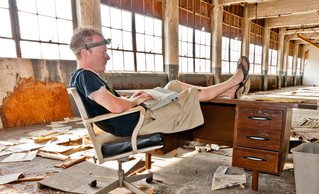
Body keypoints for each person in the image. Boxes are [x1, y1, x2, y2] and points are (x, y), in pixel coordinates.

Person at [69, 26, 250, 137]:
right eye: (103, 52)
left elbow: (111, 103)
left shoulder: (81, 78)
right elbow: (116, 108)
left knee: (174, 85)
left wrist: (133, 98)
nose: (107, 57)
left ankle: (228, 91)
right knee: (191, 95)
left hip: (136, 115)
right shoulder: (85, 76)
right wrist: (135, 101)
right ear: (86, 53)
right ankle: (235, 79)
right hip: (139, 121)